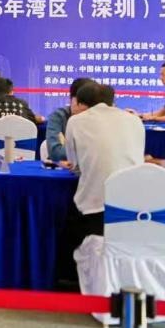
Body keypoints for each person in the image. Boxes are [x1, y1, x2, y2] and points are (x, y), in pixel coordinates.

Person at [62, 82, 146, 262]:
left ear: (81, 103)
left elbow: (74, 164)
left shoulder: (75, 121)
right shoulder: (134, 120)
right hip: (135, 207)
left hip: (94, 211)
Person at [44, 77, 94, 164]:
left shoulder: (97, 118)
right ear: (71, 99)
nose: (85, 107)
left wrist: (68, 148)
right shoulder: (58, 116)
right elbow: (55, 153)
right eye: (81, 102)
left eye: (90, 103)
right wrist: (88, 151)